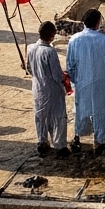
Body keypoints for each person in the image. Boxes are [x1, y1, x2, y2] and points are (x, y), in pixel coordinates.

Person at [65, 8, 105, 157]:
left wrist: (75, 80)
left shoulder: (74, 39)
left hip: (82, 81)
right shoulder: (104, 39)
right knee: (101, 111)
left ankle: (78, 137)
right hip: (101, 81)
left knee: (81, 109)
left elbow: (70, 64)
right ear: (98, 22)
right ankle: (99, 142)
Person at [26, 26, 70, 155]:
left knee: (41, 115)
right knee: (58, 116)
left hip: (38, 88)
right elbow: (57, 75)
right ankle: (60, 145)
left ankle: (42, 141)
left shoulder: (30, 48)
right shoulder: (50, 51)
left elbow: (29, 68)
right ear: (52, 35)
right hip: (52, 88)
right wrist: (64, 79)